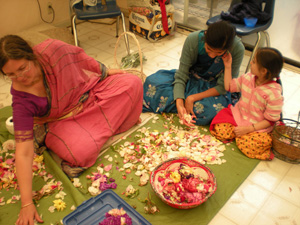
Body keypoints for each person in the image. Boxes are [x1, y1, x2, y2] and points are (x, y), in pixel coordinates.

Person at [0, 35, 143, 225]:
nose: (20, 77)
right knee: (80, 152)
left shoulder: (52, 51)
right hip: (62, 120)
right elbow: (24, 152)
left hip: (86, 95)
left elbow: (80, 58)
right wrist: (26, 203)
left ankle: (94, 128)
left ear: (31, 55)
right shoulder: (21, 100)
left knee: (132, 82)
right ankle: (90, 128)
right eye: (11, 75)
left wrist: (105, 71)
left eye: (22, 68)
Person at [143, 21, 245, 125]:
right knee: (152, 83)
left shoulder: (237, 49)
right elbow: (182, 75)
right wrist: (179, 101)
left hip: (213, 87)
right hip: (191, 78)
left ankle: (178, 104)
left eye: (219, 52)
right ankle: (181, 106)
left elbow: (224, 87)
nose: (212, 56)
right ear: (205, 37)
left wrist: (192, 98)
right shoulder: (193, 39)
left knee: (211, 111)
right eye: (209, 49)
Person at [210, 47, 284, 160]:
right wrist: (228, 65)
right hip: (239, 116)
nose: (250, 63)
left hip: (257, 125)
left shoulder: (274, 94)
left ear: (263, 71)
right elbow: (229, 87)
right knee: (219, 128)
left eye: (254, 62)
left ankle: (242, 136)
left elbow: (270, 120)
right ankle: (241, 135)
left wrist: (249, 129)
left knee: (254, 145)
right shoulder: (247, 78)